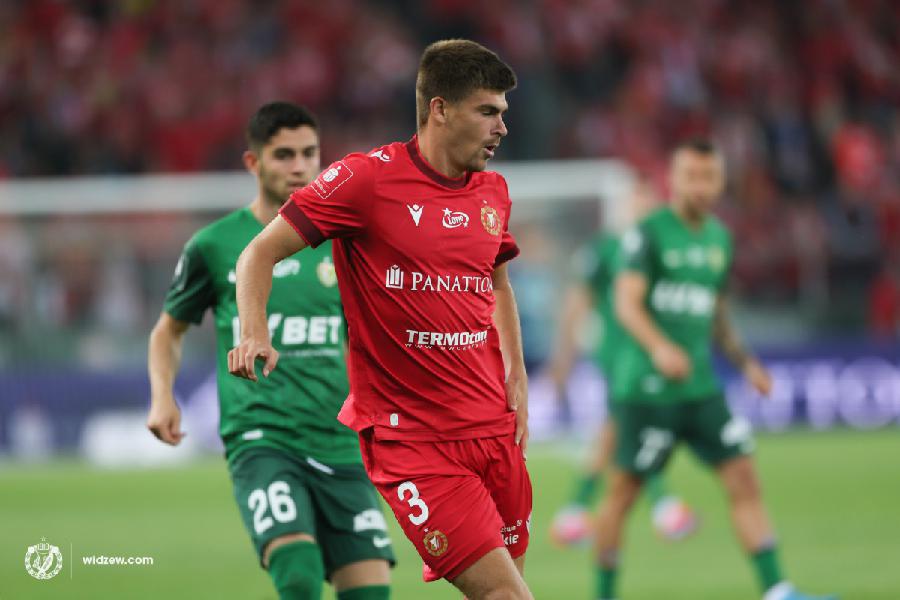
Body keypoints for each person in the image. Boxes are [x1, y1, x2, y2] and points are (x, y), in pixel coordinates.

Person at [228, 40, 533, 600]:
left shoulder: (494, 191)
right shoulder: (365, 180)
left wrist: (516, 372)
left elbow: (496, 283)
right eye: (488, 112)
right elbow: (257, 253)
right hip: (413, 440)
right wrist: (254, 330)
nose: (502, 128)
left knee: (505, 586)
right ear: (440, 109)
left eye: (503, 113)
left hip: (493, 428)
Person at [147, 102, 394, 600]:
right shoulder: (215, 245)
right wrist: (162, 398)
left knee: (370, 592)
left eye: (309, 153)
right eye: (284, 155)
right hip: (264, 439)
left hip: (341, 441)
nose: (300, 166)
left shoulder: (344, 243)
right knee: (298, 574)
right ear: (253, 162)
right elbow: (167, 332)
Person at [593, 139, 836, 600]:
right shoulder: (648, 234)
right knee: (622, 495)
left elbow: (716, 314)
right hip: (646, 391)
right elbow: (626, 304)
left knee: (743, 474)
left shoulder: (719, 238)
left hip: (700, 387)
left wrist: (747, 364)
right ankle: (602, 595)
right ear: (673, 180)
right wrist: (660, 348)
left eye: (709, 177)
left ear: (721, 182)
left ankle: (777, 589)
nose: (700, 186)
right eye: (691, 176)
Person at [548, 177, 698, 547]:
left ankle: (576, 512)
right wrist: (565, 355)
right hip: (618, 354)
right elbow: (577, 302)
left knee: (623, 429)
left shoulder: (657, 252)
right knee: (629, 424)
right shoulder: (604, 250)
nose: (643, 209)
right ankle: (662, 507)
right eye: (638, 202)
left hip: (646, 353)